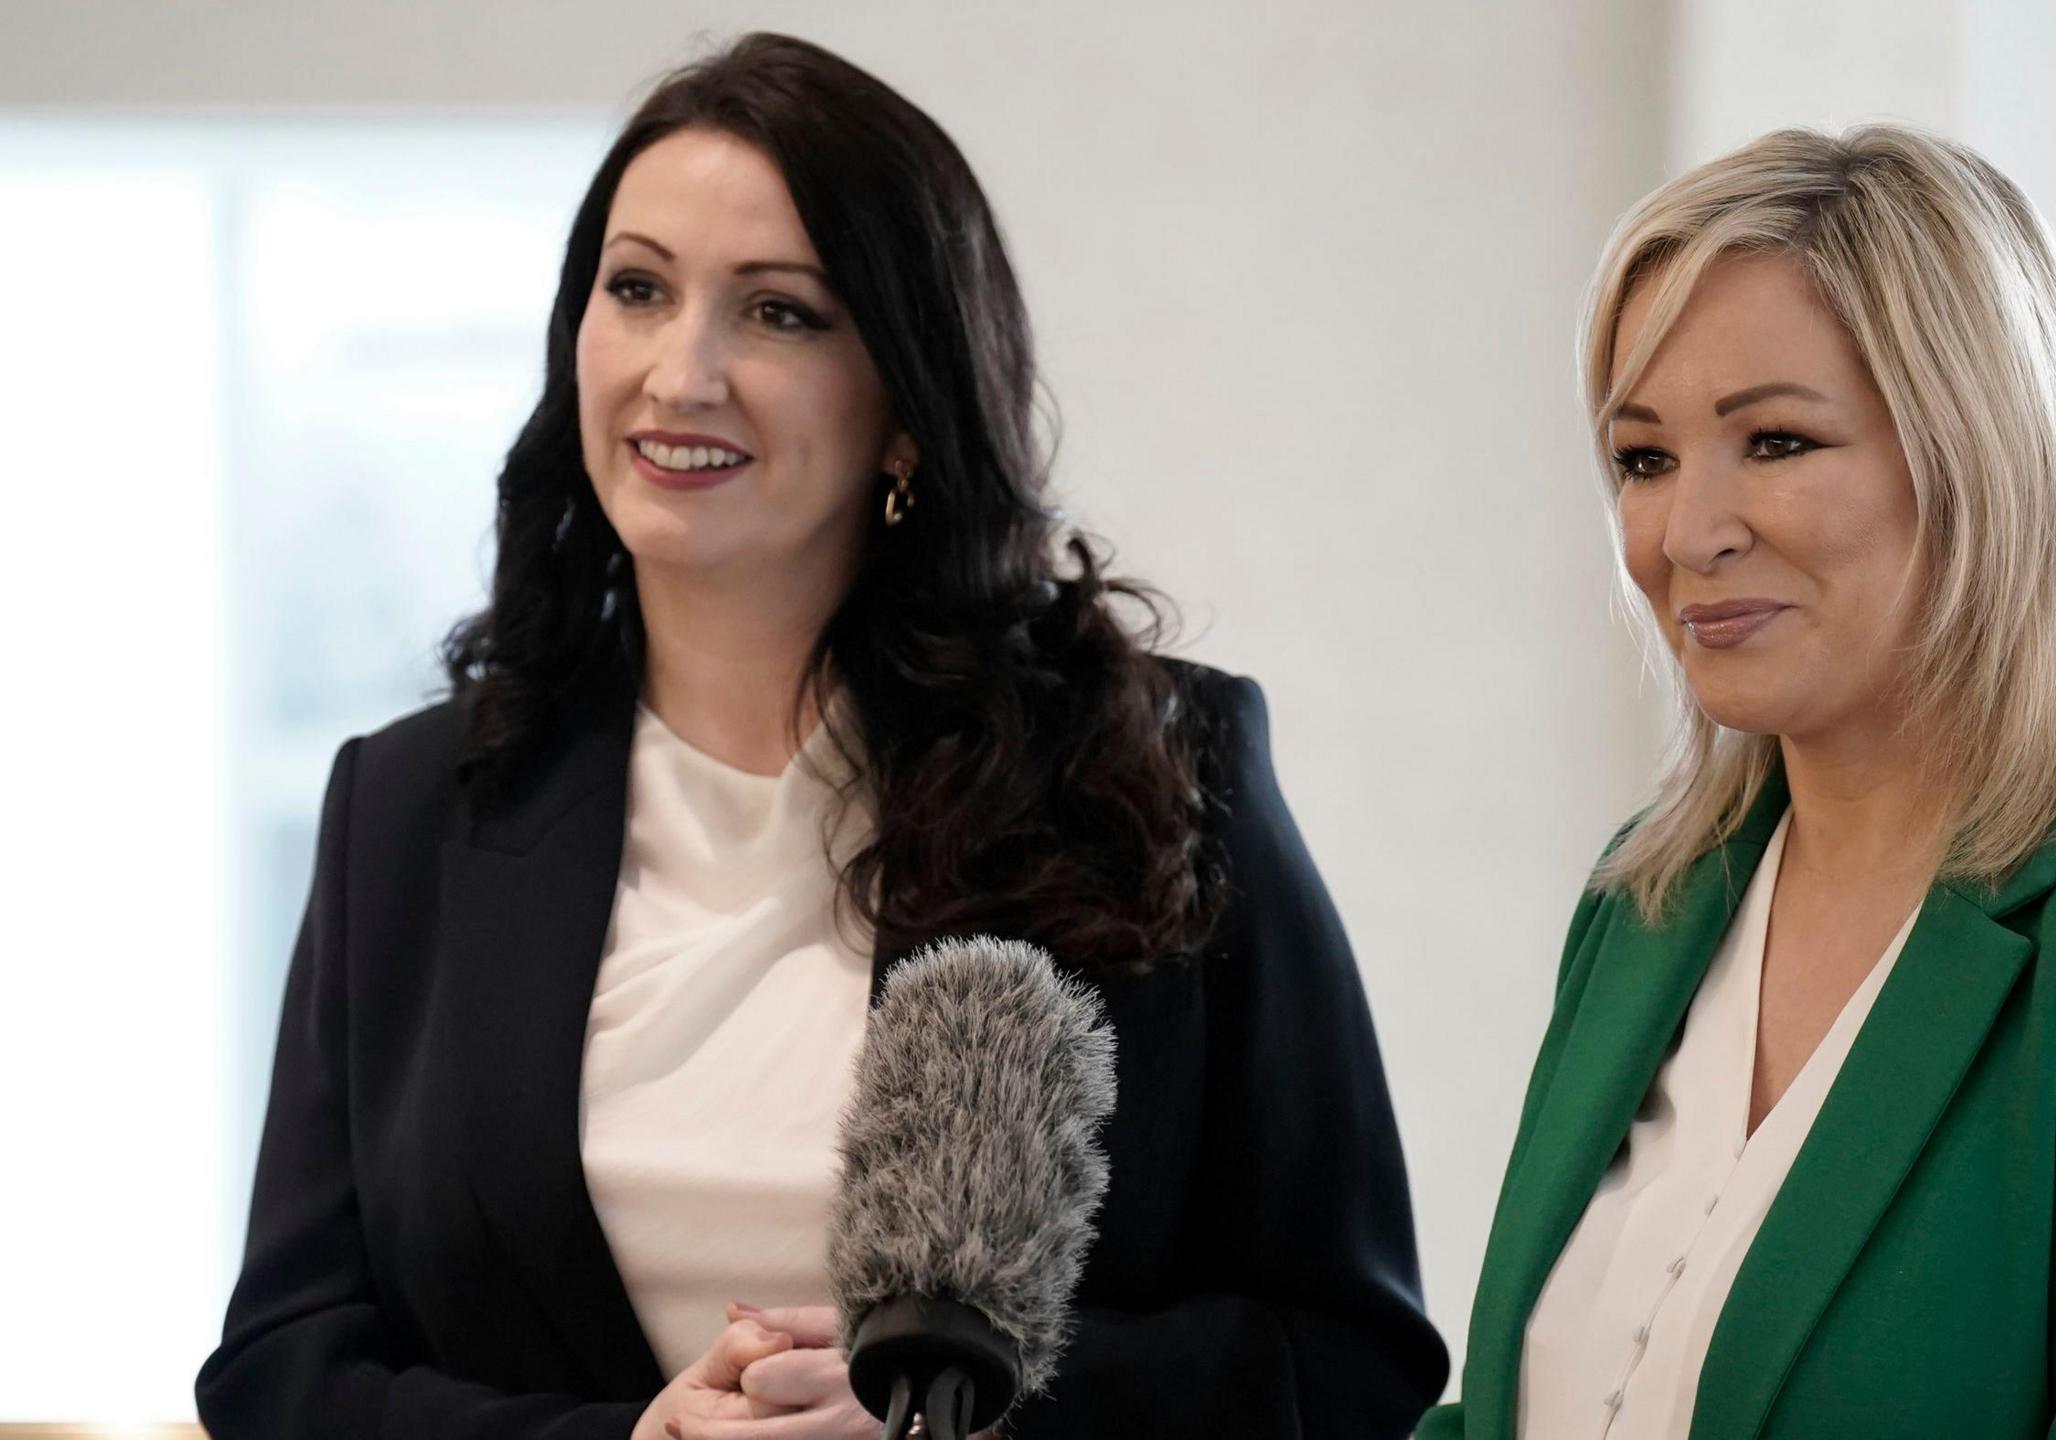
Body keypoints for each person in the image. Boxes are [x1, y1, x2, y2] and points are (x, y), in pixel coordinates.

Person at [197, 32, 1445, 1440]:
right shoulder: (410, 808)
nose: (683, 371)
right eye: (639, 289)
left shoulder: (1161, 764)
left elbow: (1344, 1354)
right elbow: (286, 1372)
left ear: (908, 406)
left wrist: (968, 1414)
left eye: (780, 312)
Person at [1419, 124, 2056, 1439]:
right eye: (1643, 458)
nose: (1686, 533)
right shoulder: (1645, 901)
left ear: (1981, 455)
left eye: (1775, 442)